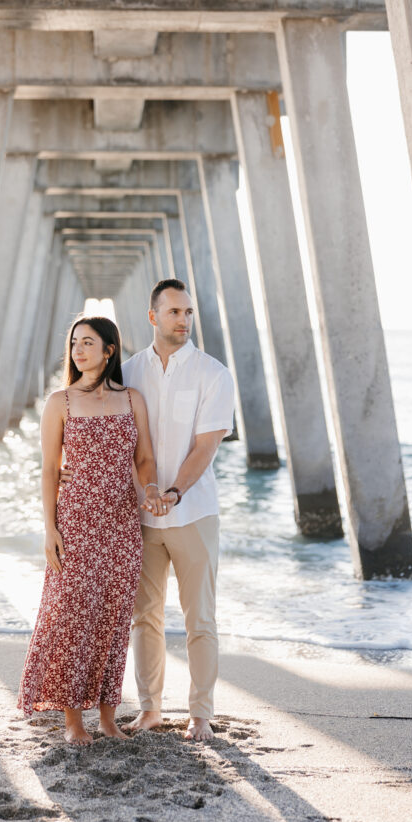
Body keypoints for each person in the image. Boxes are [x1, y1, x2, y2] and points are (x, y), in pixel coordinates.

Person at [16, 315, 163, 746]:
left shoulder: (132, 399)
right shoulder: (59, 402)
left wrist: (151, 488)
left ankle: (108, 718)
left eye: (88, 343)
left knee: (114, 620)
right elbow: (48, 470)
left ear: (109, 350)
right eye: (75, 343)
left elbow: (145, 460)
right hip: (76, 523)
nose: (78, 351)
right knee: (71, 618)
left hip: (121, 524)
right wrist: (49, 528)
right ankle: (72, 722)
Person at [124, 279, 235, 742]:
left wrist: (172, 491)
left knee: (200, 618)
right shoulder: (128, 373)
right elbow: (122, 445)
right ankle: (149, 709)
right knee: (144, 616)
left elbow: (207, 445)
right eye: (173, 312)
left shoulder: (213, 373)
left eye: (188, 312)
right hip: (142, 518)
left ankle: (200, 715)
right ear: (153, 317)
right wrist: (143, 492)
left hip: (194, 513)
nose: (183, 320)